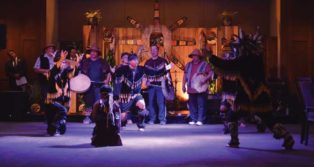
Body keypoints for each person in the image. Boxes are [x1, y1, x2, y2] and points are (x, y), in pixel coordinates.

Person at [207, 29, 294, 149]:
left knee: (232, 116)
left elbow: (226, 66)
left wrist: (210, 57)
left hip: (245, 97)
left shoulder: (243, 60)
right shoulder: (258, 60)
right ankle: (287, 137)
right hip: (261, 95)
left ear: (243, 48)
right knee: (268, 119)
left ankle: (234, 140)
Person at [113, 53, 148, 131]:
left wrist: (146, 82)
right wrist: (116, 96)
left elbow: (145, 83)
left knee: (142, 106)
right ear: (129, 62)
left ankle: (141, 125)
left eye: (136, 60)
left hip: (136, 95)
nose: (135, 62)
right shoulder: (121, 70)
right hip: (125, 95)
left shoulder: (141, 70)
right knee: (122, 117)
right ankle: (122, 123)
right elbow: (117, 84)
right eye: (133, 60)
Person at [80, 46, 111, 123]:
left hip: (99, 85)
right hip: (88, 85)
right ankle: (88, 118)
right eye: (91, 51)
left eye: (95, 51)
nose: (93, 53)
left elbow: (108, 72)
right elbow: (81, 72)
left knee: (98, 102)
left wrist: (107, 80)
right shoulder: (85, 62)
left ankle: (98, 118)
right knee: (88, 102)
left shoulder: (103, 62)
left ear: (97, 53)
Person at [182, 49, 213, 126]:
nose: (194, 57)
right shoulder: (188, 65)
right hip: (191, 88)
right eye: (193, 56)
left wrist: (205, 79)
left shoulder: (205, 64)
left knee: (201, 104)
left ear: (199, 56)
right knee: (192, 105)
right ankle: (193, 119)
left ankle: (200, 120)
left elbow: (211, 72)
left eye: (196, 55)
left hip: (201, 88)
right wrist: (183, 85)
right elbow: (185, 76)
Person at [45, 50, 72, 136]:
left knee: (61, 114)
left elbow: (70, 75)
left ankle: (55, 129)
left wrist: (74, 64)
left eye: (64, 62)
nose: (64, 63)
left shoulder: (63, 71)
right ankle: (53, 128)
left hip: (61, 98)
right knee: (60, 112)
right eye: (62, 61)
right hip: (52, 99)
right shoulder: (53, 70)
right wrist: (61, 59)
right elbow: (57, 66)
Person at [144, 45, 170, 125]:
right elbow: (145, 75)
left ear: (158, 51)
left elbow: (168, 73)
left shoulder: (163, 61)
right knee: (151, 103)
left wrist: (167, 82)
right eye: (152, 49)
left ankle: (162, 119)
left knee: (160, 102)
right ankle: (152, 119)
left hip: (161, 86)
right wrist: (146, 81)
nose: (153, 51)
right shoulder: (147, 62)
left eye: (155, 49)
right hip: (151, 86)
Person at [34, 44, 57, 112]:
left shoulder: (55, 58)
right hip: (45, 80)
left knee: (54, 96)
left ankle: (54, 112)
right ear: (46, 50)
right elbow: (36, 69)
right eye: (50, 48)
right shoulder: (41, 58)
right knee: (45, 96)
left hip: (55, 81)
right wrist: (47, 71)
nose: (51, 50)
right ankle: (45, 113)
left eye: (52, 49)